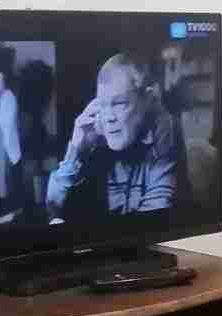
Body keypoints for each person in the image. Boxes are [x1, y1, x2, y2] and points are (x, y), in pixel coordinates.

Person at [47, 53, 190, 221]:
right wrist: (77, 151)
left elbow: (157, 216)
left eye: (119, 103)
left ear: (147, 99)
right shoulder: (97, 135)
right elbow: (54, 209)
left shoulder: (164, 126)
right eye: (102, 104)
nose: (108, 117)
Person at [0, 69, 23, 224]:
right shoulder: (2, 98)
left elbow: (7, 125)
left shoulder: (8, 97)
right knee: (1, 180)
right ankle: (7, 210)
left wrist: (8, 151)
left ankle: (6, 212)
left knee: (4, 181)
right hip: (1, 145)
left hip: (5, 146)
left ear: (4, 83)